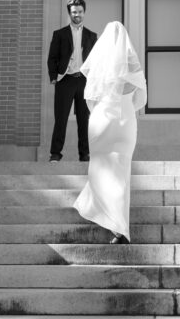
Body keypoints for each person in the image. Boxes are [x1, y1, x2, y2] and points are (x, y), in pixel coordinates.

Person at [73, 21, 147, 244]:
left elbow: (90, 101)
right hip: (125, 121)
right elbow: (140, 99)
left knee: (100, 168)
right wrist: (124, 108)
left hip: (102, 119)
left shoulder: (99, 68)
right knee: (121, 173)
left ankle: (109, 219)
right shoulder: (133, 69)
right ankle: (120, 227)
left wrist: (104, 111)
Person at [47, 0, 97, 161]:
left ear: (84, 13)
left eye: (80, 12)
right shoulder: (59, 34)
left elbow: (95, 60)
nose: (78, 15)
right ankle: (55, 154)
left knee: (84, 120)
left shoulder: (91, 36)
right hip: (65, 80)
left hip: (84, 81)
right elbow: (52, 57)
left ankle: (85, 154)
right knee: (60, 119)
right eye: (74, 12)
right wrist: (54, 77)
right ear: (70, 13)